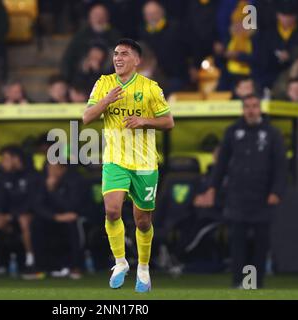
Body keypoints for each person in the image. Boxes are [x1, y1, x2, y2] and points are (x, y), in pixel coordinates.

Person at [82, 39, 174, 293]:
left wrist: (144, 120)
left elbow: (168, 122)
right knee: (112, 211)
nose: (118, 58)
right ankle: (121, 263)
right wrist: (106, 101)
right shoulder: (104, 83)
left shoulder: (150, 87)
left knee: (142, 221)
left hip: (145, 162)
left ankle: (143, 268)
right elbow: (87, 117)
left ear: (137, 60)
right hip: (115, 160)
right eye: (115, 54)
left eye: (124, 54)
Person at [198, 93, 287, 288]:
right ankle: (239, 281)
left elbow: (280, 166)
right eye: (247, 107)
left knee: (259, 242)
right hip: (237, 195)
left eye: (255, 106)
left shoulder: (272, 133)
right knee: (237, 241)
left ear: (260, 109)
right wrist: (212, 188)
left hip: (263, 196)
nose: (251, 110)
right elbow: (221, 164)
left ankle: (254, 282)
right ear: (243, 109)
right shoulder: (232, 132)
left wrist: (277, 191)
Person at [0, 146, 42, 277]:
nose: (2, 162)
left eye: (5, 159)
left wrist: (11, 216)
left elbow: (34, 203)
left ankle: (31, 262)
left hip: (32, 219)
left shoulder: (34, 176)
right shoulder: (2, 177)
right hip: (8, 219)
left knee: (24, 220)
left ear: (16, 159)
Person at [34, 163, 84, 279]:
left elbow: (71, 207)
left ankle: (74, 266)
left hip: (73, 216)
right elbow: (37, 205)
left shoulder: (74, 181)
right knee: (36, 223)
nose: (51, 172)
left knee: (72, 223)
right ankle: (44, 266)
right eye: (49, 169)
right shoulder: (43, 182)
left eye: (54, 169)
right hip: (52, 217)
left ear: (63, 169)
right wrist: (54, 217)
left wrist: (52, 191)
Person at [61, 3, 121, 81]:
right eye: (95, 14)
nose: (99, 18)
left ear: (107, 17)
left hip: (108, 78)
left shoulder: (114, 35)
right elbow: (69, 59)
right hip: (81, 77)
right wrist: (83, 64)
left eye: (102, 15)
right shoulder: (81, 35)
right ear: (90, 17)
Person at [139, 1, 187, 92]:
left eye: (154, 13)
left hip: (173, 75)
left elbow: (184, 50)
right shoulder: (142, 31)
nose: (151, 17)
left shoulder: (175, 28)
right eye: (148, 14)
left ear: (162, 12)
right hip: (151, 75)